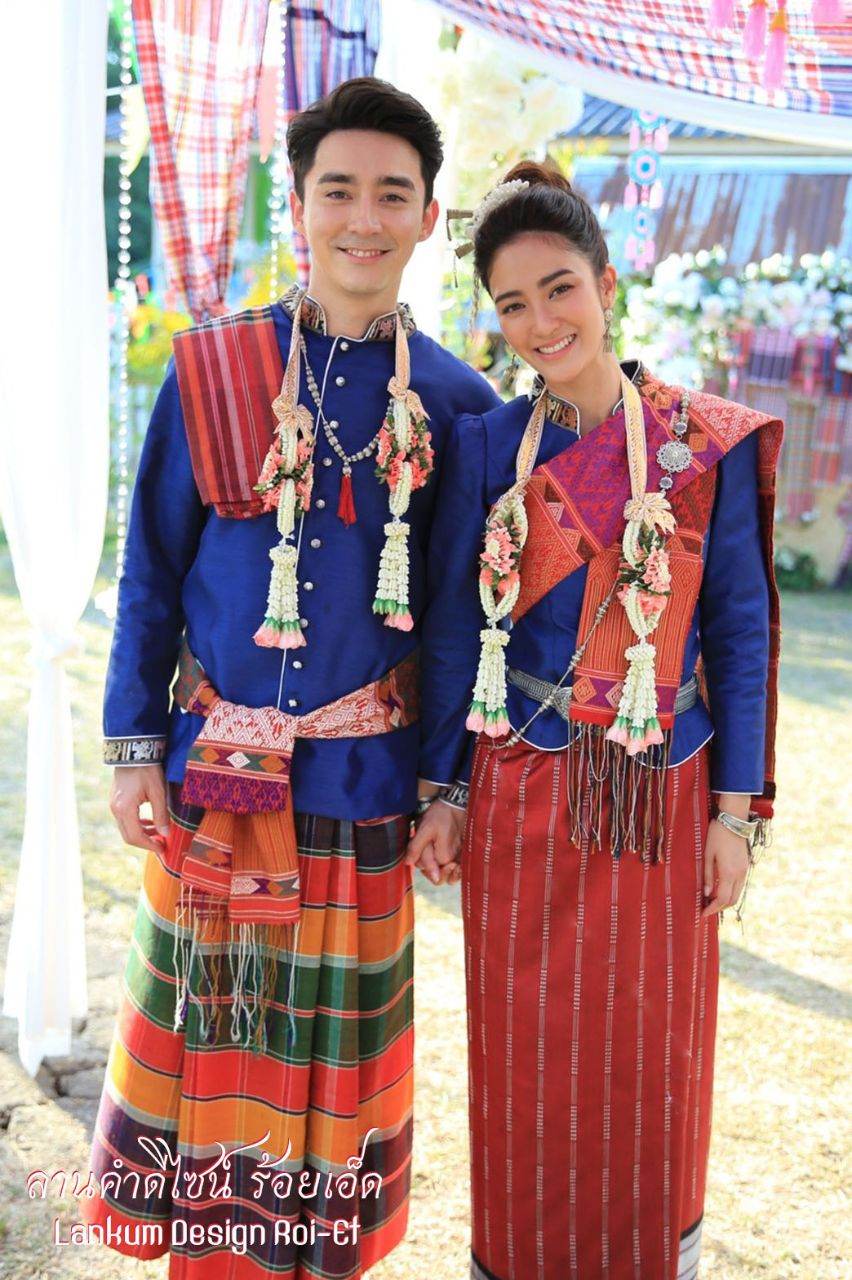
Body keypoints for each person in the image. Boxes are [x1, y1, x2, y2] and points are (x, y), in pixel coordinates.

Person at [80, 76, 499, 1280]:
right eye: (338, 190)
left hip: (366, 788)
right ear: (300, 204)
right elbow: (151, 569)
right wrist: (128, 747)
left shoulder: (463, 411)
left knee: (334, 1081)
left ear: (428, 217)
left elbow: (462, 631)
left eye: (392, 194)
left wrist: (446, 787)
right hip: (215, 781)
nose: (362, 218)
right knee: (215, 1057)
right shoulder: (215, 367)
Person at [407, 161, 783, 1280]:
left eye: (558, 288)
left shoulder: (696, 444)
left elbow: (744, 633)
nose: (539, 322)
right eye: (512, 304)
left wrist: (737, 812)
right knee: (524, 1052)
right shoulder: (485, 444)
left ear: (608, 283)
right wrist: (444, 788)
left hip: (663, 790)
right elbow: (445, 634)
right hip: (521, 781)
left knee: (646, 1048)